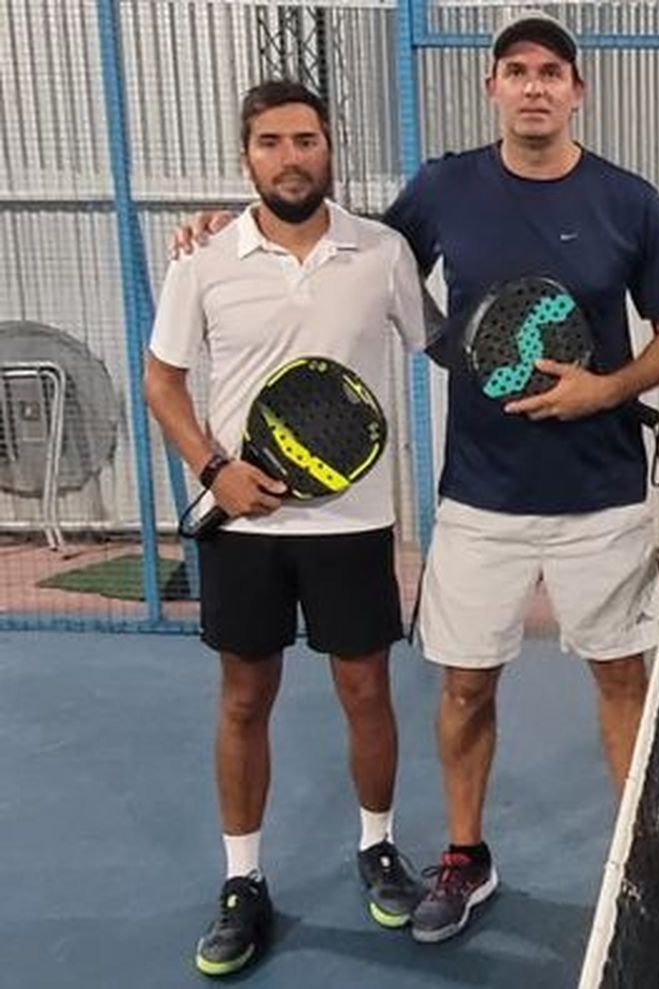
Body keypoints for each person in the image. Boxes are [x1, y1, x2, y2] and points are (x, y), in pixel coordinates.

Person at [173, 12, 659, 944]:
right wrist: (223, 229)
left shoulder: (629, 200)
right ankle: (465, 856)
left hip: (605, 492)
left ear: (577, 91)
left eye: (552, 72)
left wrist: (607, 388)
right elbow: (336, 244)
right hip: (480, 496)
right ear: (492, 89)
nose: (535, 87)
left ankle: (638, 857)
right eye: (517, 72)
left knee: (623, 679)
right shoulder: (444, 189)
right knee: (464, 686)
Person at [144, 80, 427, 977]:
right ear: (246, 158)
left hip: (353, 521)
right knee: (242, 700)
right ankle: (242, 880)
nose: (291, 156)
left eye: (306, 139)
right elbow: (162, 380)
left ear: (329, 149)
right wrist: (212, 467)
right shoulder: (202, 259)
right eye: (271, 142)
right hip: (244, 526)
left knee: (367, 692)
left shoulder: (382, 252)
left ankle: (378, 845)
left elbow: (435, 343)